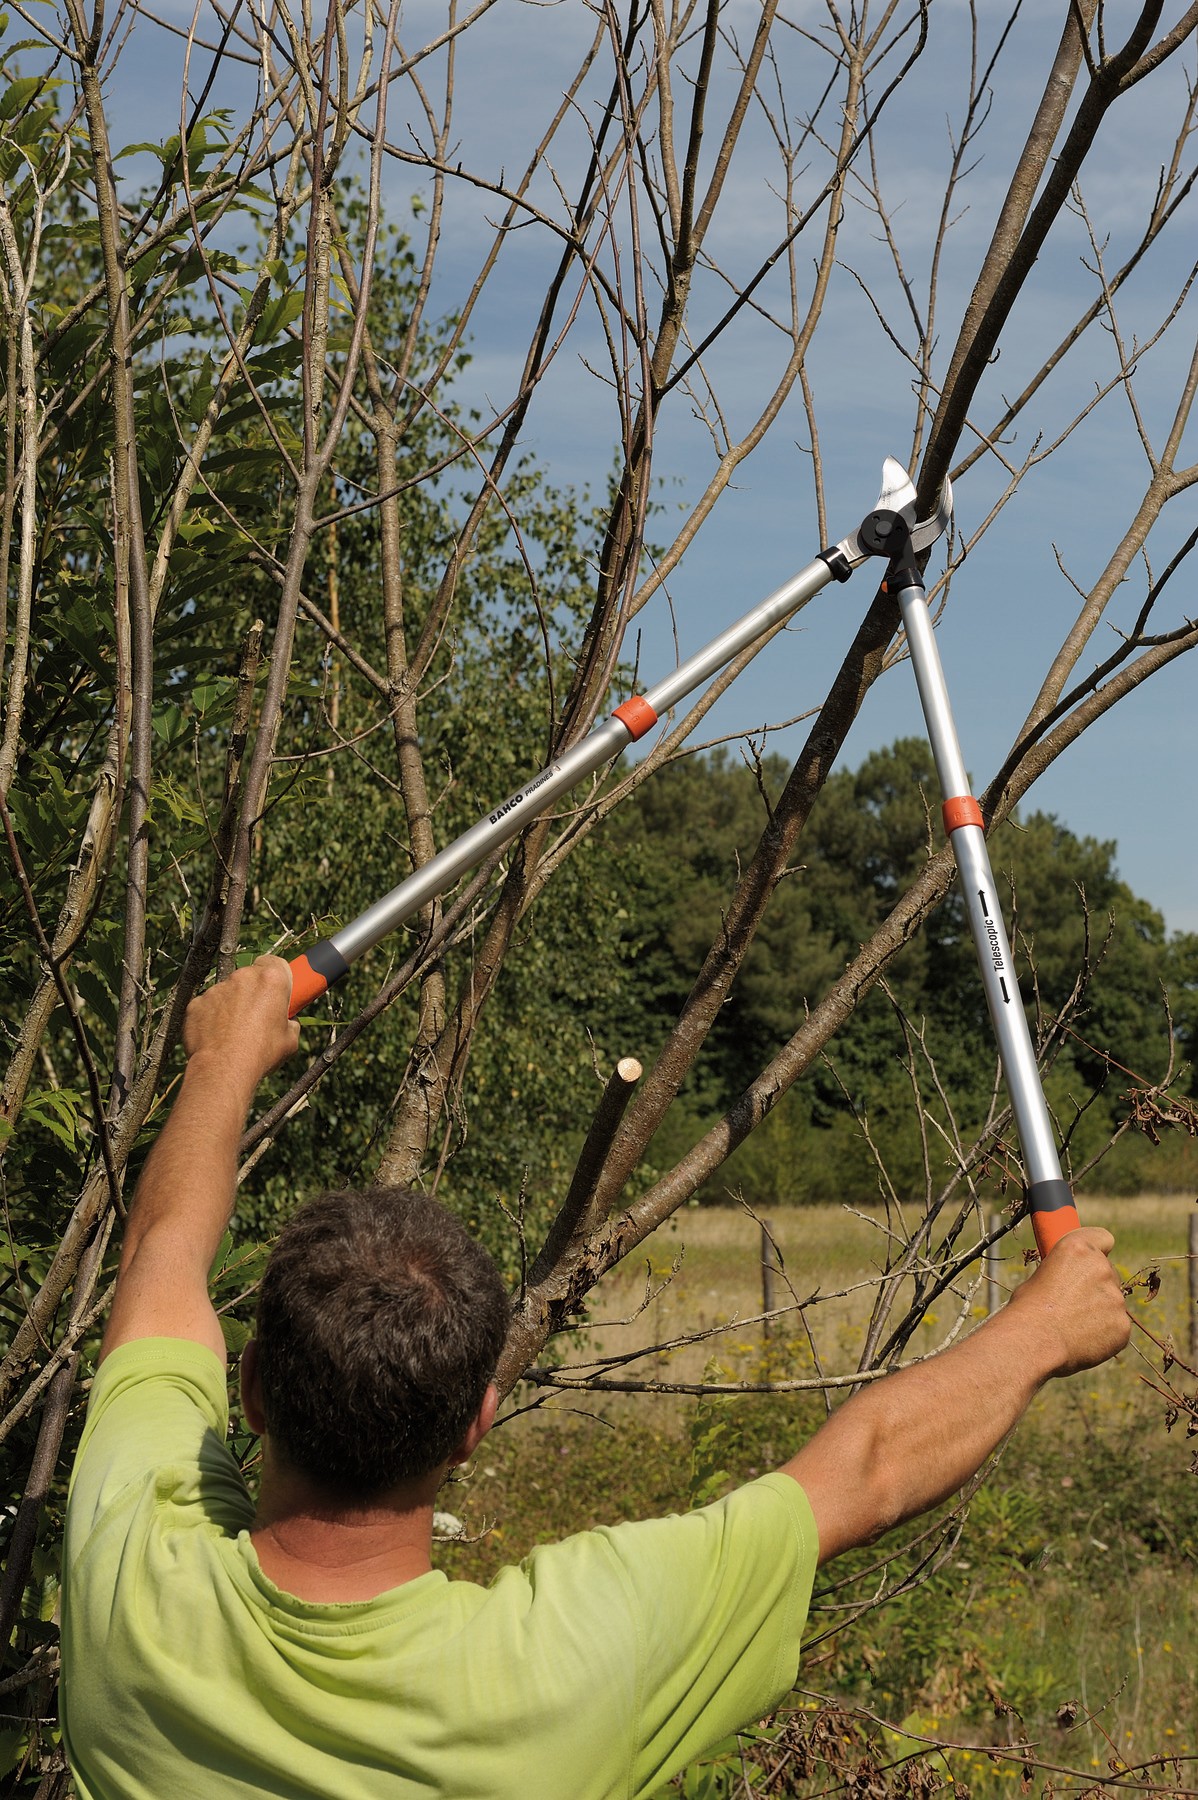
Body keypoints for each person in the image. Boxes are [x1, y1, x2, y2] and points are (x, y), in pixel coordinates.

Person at [60, 957, 1131, 1800]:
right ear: (476, 1424)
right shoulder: (568, 1661)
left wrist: (221, 1058)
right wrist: (1042, 1328)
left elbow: (159, 1257)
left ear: (251, 1390)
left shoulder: (131, 1590)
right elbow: (871, 1470)